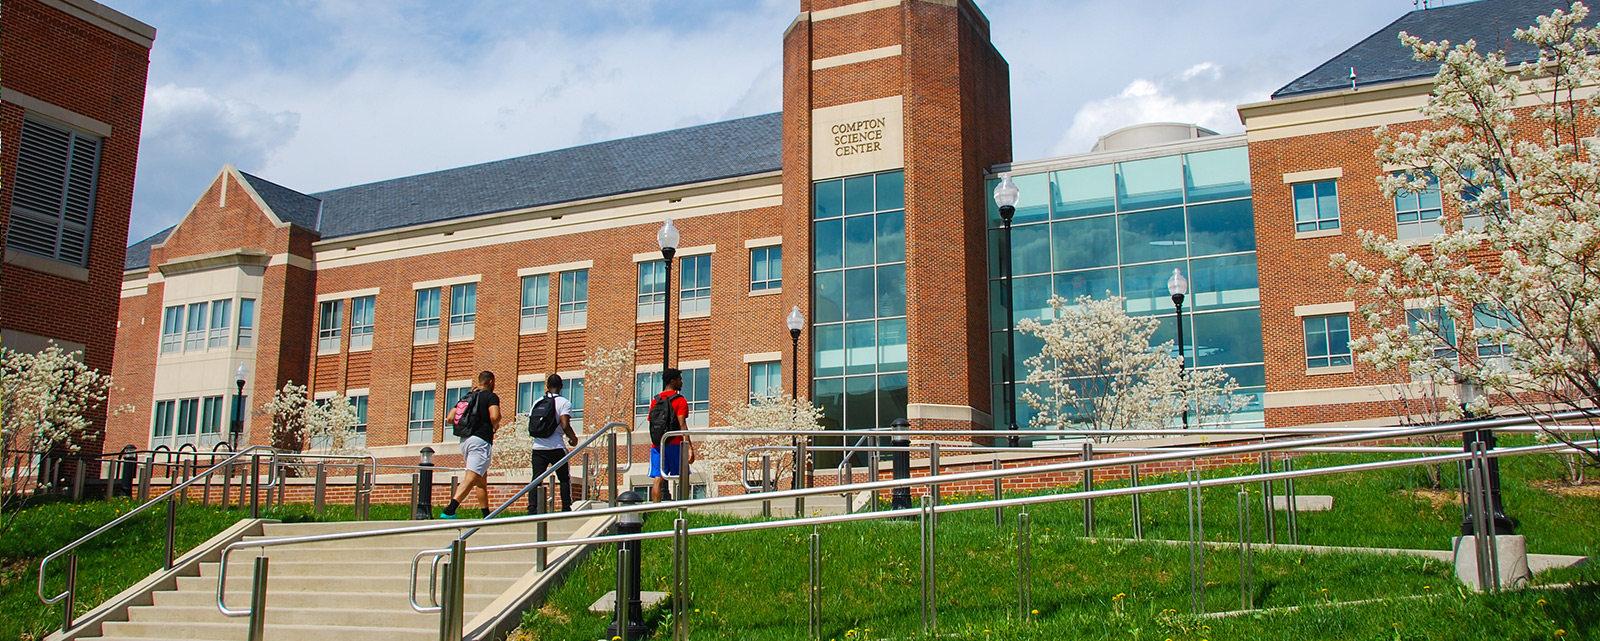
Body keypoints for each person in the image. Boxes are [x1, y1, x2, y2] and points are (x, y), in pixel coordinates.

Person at [442, 371, 500, 518]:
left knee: (481, 480)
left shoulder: (467, 397)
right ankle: (450, 510)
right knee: (472, 476)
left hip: (465, 440)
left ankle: (486, 515)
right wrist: (494, 425)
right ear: (491, 382)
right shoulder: (491, 396)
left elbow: (450, 418)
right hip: (480, 440)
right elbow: (494, 415)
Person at [529, 374, 579, 511]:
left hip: (538, 447)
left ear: (547, 386)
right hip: (556, 446)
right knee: (563, 478)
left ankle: (532, 508)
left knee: (536, 479)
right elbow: (564, 424)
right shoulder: (564, 403)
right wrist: (573, 439)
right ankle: (565, 507)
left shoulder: (537, 401)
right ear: (561, 386)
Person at [648, 368, 694, 502]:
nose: (682, 383)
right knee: (683, 476)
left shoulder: (655, 401)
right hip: (675, 443)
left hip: (657, 444)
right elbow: (682, 425)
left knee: (658, 478)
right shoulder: (680, 400)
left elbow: (652, 423)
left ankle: (656, 510)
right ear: (672, 381)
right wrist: (690, 447)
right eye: (680, 380)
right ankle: (683, 507)